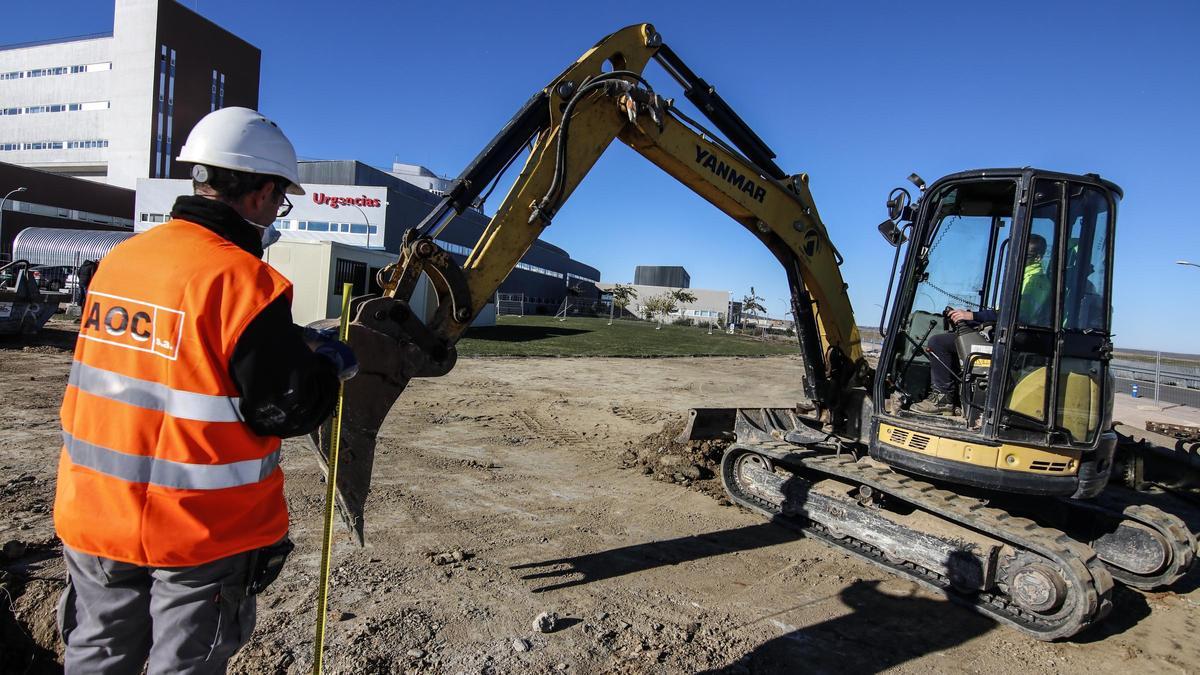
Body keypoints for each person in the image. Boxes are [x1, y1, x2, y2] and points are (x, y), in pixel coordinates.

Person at [54, 107, 357, 673]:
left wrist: (282, 344)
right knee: (185, 663)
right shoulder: (246, 281)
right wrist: (326, 369)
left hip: (95, 512)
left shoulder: (121, 261)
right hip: (199, 531)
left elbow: (172, 352)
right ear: (262, 193)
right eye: (280, 200)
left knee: (97, 652)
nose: (276, 213)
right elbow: (285, 409)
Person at [912, 234, 1049, 415]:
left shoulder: (1034, 282)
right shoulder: (1025, 278)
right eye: (1016, 254)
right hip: (1010, 335)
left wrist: (972, 315)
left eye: (1026, 255)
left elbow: (1014, 315)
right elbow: (1002, 313)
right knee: (958, 337)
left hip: (1015, 341)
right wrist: (971, 318)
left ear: (1037, 257)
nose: (1018, 259)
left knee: (938, 343)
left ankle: (944, 398)